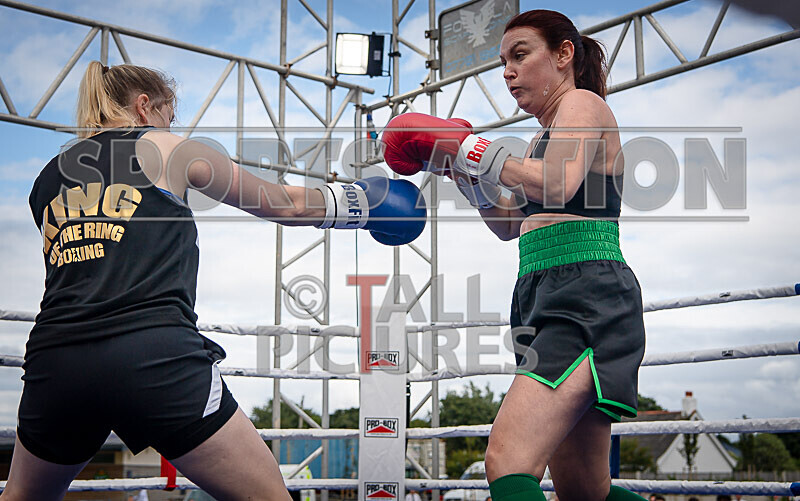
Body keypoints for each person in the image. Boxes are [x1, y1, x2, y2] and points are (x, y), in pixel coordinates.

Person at [1, 61, 425, 501]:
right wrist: (363, 203)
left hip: (57, 363)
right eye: (168, 116)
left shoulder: (46, 179)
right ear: (144, 106)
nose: (171, 127)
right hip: (153, 354)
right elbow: (283, 203)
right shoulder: (166, 147)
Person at [381, 9, 646, 501]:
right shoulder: (540, 139)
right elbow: (508, 224)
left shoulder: (583, 104)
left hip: (585, 292)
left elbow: (558, 183)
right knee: (586, 490)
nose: (508, 72)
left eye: (520, 56)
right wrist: (461, 171)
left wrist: (469, 146)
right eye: (503, 61)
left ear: (563, 54)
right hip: (544, 290)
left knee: (507, 460)